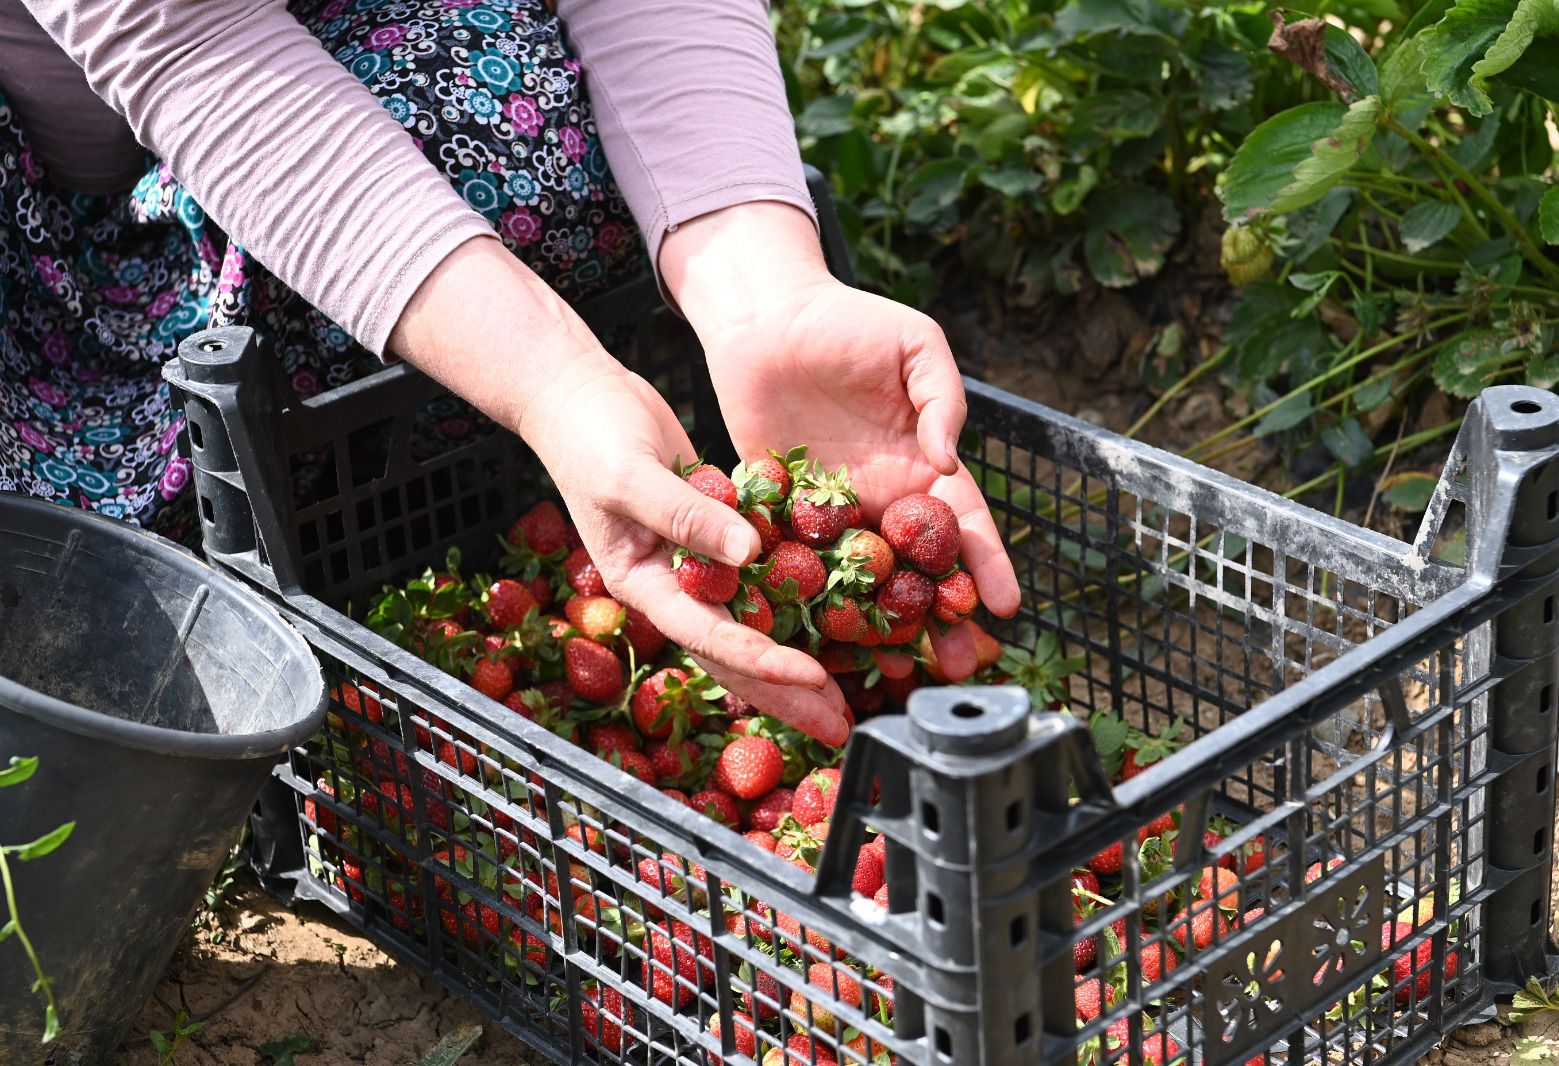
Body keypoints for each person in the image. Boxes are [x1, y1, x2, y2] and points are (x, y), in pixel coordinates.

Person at [0, 0, 1020, 744]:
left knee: (527, 130)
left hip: (377, 41)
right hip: (96, 208)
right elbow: (191, 43)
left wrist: (764, 292)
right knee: (494, 147)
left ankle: (470, 441)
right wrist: (553, 382)